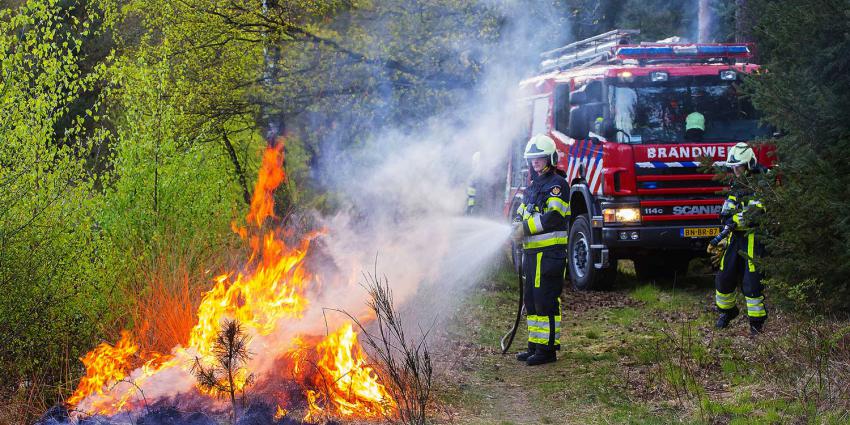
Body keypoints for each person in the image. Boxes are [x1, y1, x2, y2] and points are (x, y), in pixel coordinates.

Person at [511, 134, 570, 365]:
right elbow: (522, 211)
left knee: (546, 300)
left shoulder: (558, 185)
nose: (535, 163)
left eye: (540, 158)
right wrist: (516, 225)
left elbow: (554, 216)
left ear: (550, 159)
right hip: (533, 254)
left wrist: (524, 228)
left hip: (550, 255)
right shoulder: (533, 186)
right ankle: (535, 345)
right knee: (532, 300)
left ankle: (548, 351)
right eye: (532, 159)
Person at [707, 142, 767, 335]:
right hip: (734, 238)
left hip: (752, 239)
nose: (735, 170)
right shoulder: (736, 184)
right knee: (724, 277)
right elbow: (726, 213)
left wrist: (743, 217)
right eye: (733, 167)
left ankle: (756, 323)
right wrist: (727, 227)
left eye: (739, 166)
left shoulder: (761, 184)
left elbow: (759, 212)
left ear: (749, 164)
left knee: (752, 283)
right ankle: (727, 312)